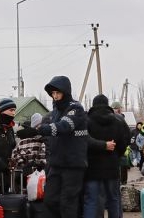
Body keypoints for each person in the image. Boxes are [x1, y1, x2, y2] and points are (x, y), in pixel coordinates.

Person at [36, 76, 88, 218]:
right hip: (56, 164)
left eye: (58, 93)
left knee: (68, 203)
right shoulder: (55, 112)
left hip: (73, 165)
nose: (55, 96)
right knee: (50, 200)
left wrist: (41, 129)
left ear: (66, 92)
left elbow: (65, 126)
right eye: (53, 93)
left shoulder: (76, 108)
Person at [83, 95, 127, 218]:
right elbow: (123, 144)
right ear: (107, 105)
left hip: (92, 168)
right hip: (112, 167)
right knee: (113, 199)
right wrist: (115, 155)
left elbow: (84, 142)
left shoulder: (87, 121)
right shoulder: (117, 121)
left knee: (91, 200)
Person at [11, 113, 46, 183]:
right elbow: (44, 158)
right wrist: (35, 164)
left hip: (22, 177)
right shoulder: (43, 141)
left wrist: (23, 165)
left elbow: (14, 155)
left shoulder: (21, 142)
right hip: (39, 178)